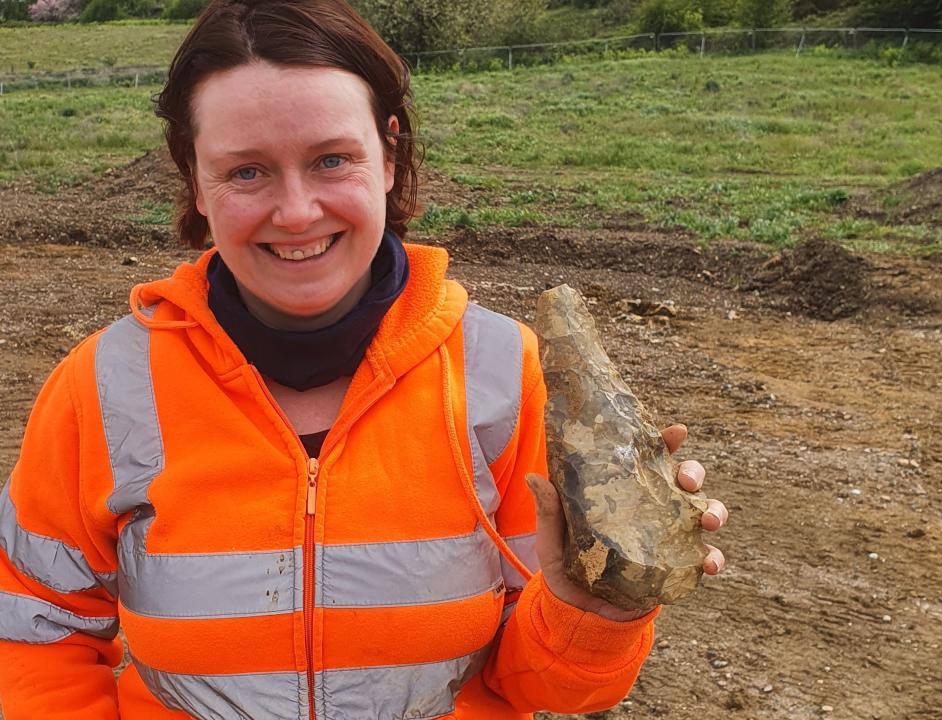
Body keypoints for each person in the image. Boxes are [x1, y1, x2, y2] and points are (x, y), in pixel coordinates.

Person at [0, 0, 728, 717]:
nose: (296, 212)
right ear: (194, 178)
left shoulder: (506, 373)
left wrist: (592, 609)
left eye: (331, 160)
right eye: (246, 172)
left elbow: (545, 685)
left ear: (389, 155)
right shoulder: (101, 386)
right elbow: (32, 633)